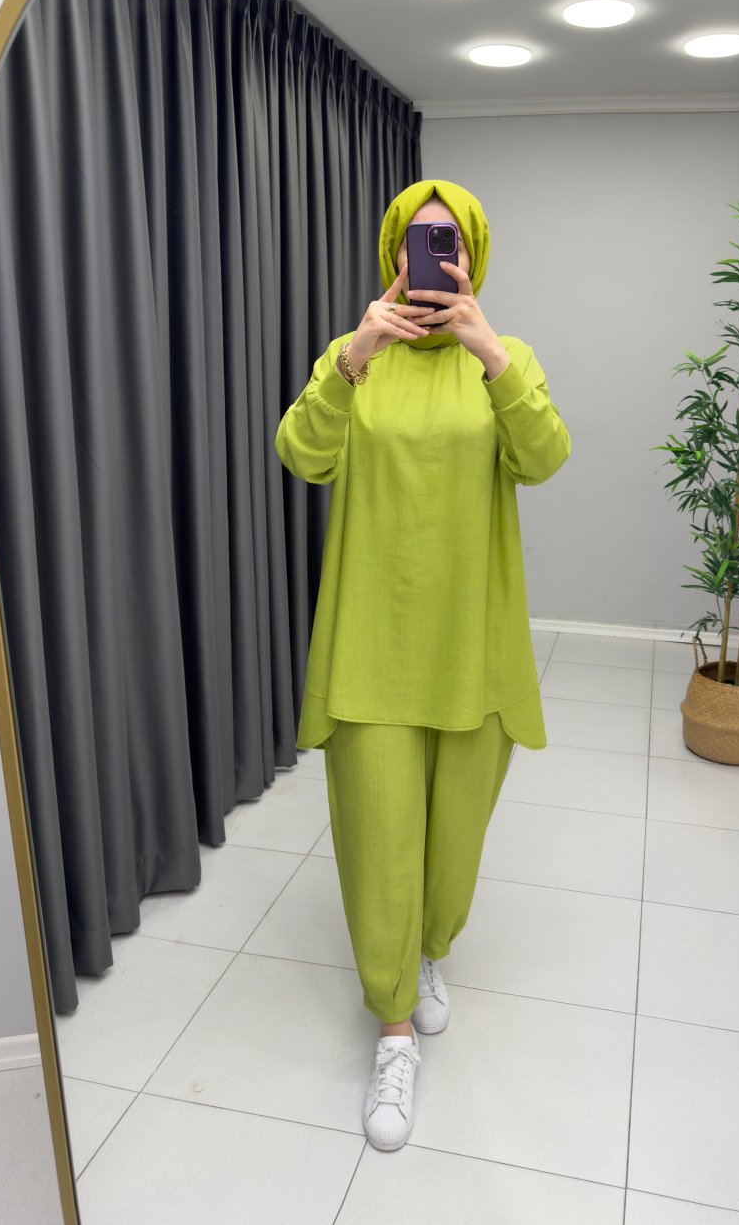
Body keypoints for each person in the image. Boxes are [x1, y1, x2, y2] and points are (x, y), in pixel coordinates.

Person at [274, 178, 571, 1152]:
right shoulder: (353, 355)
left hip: (472, 639)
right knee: (379, 837)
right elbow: (300, 454)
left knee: (452, 842)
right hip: (371, 638)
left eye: (451, 240)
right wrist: (351, 360)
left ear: (473, 257)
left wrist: (491, 355)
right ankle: (393, 1022)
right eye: (418, 238)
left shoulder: (505, 356)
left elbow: (544, 457)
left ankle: (427, 950)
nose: (434, 254)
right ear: (393, 253)